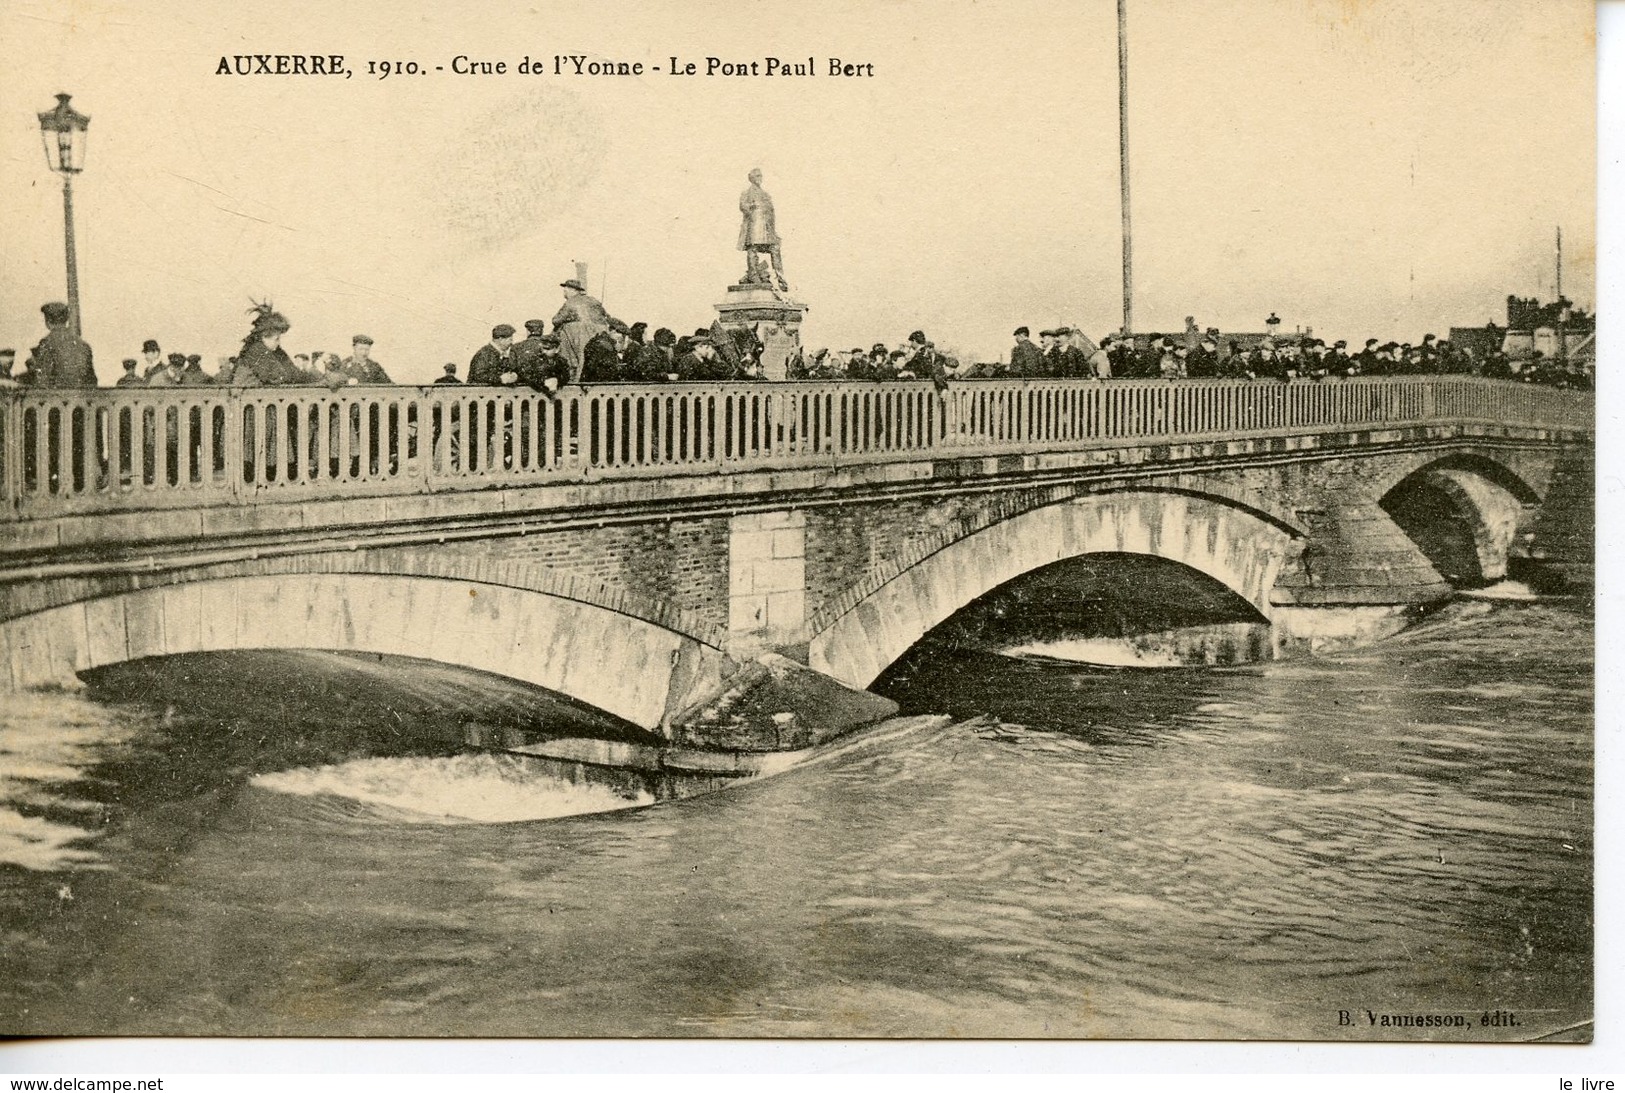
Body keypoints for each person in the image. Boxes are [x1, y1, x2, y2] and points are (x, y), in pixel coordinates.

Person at [551, 279, 611, 381]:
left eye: (566, 288)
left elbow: (556, 320)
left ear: (573, 290)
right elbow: (607, 316)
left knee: (578, 360)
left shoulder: (570, 303)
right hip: (598, 335)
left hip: (578, 335)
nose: (564, 291)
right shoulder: (594, 301)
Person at [738, 167, 787, 289]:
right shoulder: (746, 193)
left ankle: (780, 277)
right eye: (756, 176)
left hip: (767, 228)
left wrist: (773, 230)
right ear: (751, 178)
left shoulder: (766, 194)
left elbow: (771, 212)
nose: (759, 178)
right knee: (753, 248)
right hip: (754, 226)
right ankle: (753, 274)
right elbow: (743, 206)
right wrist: (751, 206)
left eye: (760, 176)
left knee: (775, 248)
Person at [28, 301, 97, 387]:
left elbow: (42, 381)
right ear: (66, 319)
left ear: (48, 321)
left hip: (57, 398)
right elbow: (92, 382)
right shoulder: (84, 345)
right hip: (81, 397)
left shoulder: (47, 343)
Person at [232, 303, 304, 385]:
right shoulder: (256, 351)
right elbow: (278, 376)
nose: (278, 342)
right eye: (276, 339)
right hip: (247, 396)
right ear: (264, 337)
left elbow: (295, 374)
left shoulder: (275, 351)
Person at [581, 318, 627, 383]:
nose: (621, 338)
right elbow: (591, 367)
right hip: (596, 385)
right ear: (613, 331)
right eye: (620, 335)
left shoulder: (606, 344)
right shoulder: (602, 345)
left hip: (598, 384)